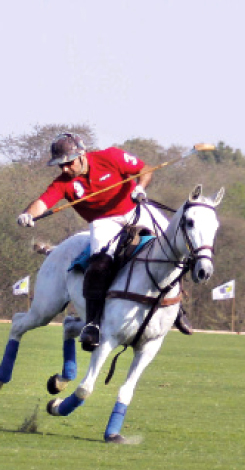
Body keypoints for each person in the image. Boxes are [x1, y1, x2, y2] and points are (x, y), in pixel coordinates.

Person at [16, 133, 192, 351]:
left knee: (173, 246)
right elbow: (42, 202)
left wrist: (139, 187)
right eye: (60, 165)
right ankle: (92, 324)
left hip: (134, 207)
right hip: (103, 222)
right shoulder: (64, 183)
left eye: (68, 163)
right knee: (99, 266)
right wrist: (28, 214)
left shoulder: (110, 156)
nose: (64, 169)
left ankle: (178, 309)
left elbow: (144, 170)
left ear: (82, 155)